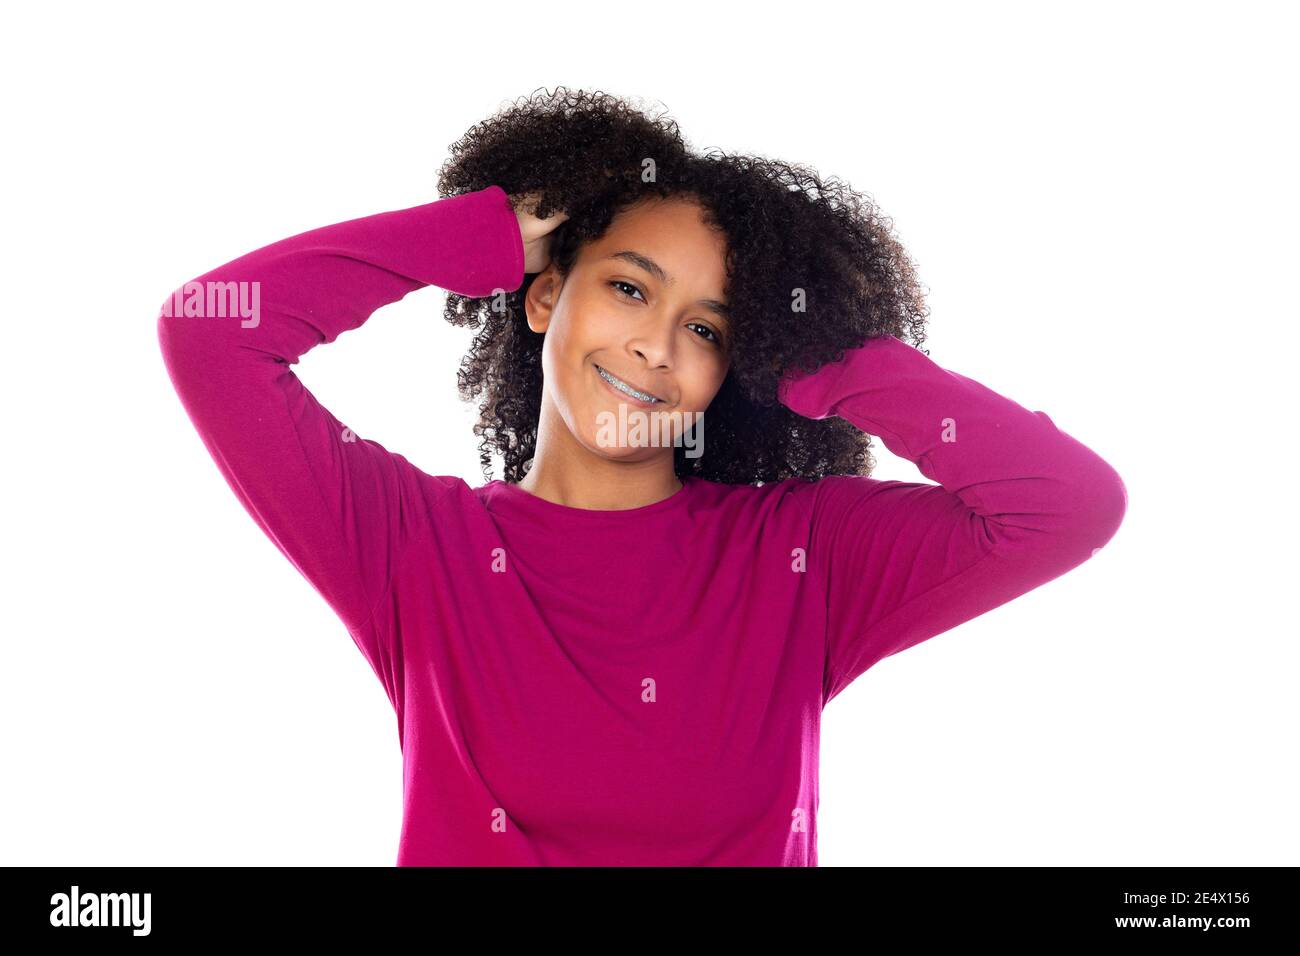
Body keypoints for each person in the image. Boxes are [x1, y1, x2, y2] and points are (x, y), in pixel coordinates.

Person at [156, 88, 1126, 866]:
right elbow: (212, 328)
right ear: (543, 295)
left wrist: (815, 355)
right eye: (628, 285)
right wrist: (478, 238)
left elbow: (1063, 506)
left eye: (707, 327)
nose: (656, 346)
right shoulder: (411, 545)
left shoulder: (802, 554)